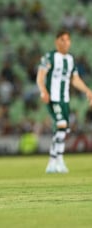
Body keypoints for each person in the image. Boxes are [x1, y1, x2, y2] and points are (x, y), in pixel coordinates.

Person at [36, 29, 92, 173]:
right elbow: (40, 76)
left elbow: (75, 79)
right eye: (62, 39)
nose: (66, 43)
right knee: (61, 124)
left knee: (62, 130)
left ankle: (54, 162)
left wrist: (87, 90)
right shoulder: (50, 57)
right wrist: (43, 91)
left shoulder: (70, 59)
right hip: (53, 98)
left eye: (68, 40)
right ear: (57, 41)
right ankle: (56, 159)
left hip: (64, 99)